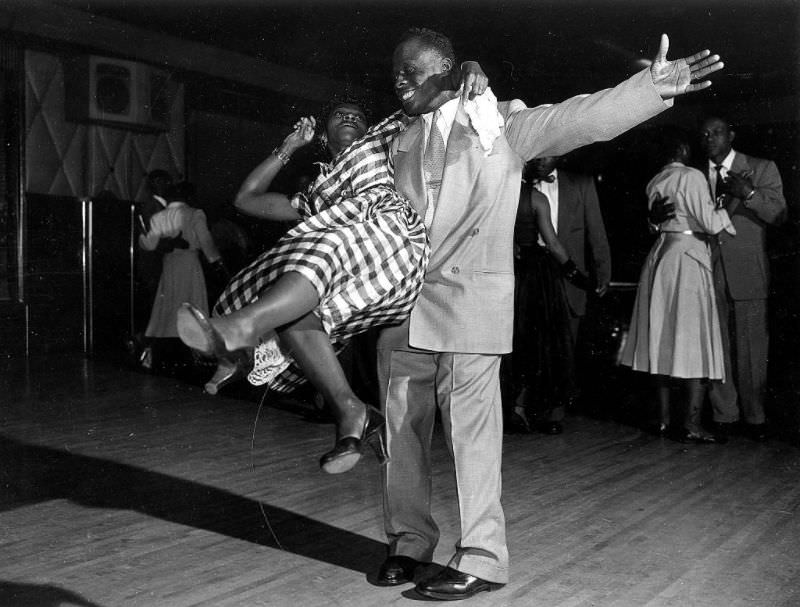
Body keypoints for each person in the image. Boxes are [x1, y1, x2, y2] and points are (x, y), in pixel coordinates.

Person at [375, 28, 723, 600]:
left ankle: (483, 558)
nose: (399, 81)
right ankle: (409, 542)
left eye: (410, 71)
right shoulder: (400, 140)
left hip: (469, 304)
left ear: (445, 69)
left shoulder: (503, 123)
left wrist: (651, 88)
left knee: (471, 434)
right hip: (403, 305)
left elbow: (582, 117)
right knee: (401, 429)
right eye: (395, 72)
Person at [177, 64, 487, 475]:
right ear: (322, 136)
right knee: (294, 302)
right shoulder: (315, 194)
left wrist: (468, 68)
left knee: (319, 248)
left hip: (393, 247)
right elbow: (247, 199)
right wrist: (288, 147)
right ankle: (350, 412)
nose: (349, 118)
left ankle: (240, 331)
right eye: (339, 115)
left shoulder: (382, 140)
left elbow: (432, 91)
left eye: (357, 116)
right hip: (347, 272)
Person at [620, 128, 735, 443]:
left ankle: (663, 420)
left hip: (660, 257)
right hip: (687, 260)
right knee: (694, 341)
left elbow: (656, 220)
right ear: (683, 148)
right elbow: (710, 223)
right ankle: (692, 424)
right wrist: (732, 203)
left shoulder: (655, 180)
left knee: (662, 338)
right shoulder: (692, 177)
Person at [700, 115, 787, 441]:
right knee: (717, 347)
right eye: (705, 134)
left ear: (731, 135)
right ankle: (725, 414)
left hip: (749, 271)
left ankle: (755, 417)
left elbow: (780, 215)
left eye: (717, 132)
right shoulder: (696, 174)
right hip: (709, 270)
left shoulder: (762, 168)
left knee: (752, 349)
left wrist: (749, 193)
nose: (710, 139)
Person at [518, 155, 611, 434]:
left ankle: (553, 415)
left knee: (563, 347)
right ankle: (523, 409)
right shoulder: (516, 186)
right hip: (529, 277)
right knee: (528, 343)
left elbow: (596, 231)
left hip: (567, 280)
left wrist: (603, 272)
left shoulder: (581, 184)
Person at [504, 159, 591, 436]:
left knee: (510, 342)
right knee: (536, 343)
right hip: (534, 277)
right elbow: (552, 243)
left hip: (505, 272)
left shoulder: (496, 194)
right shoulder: (536, 198)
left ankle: (508, 410)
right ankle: (524, 408)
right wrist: (576, 274)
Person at [139, 181, 225, 367]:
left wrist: (142, 237)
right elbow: (206, 241)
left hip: (169, 264)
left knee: (168, 306)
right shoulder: (195, 214)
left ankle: (165, 352)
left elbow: (150, 245)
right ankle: (194, 352)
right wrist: (216, 261)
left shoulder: (158, 217)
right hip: (190, 263)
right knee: (192, 303)